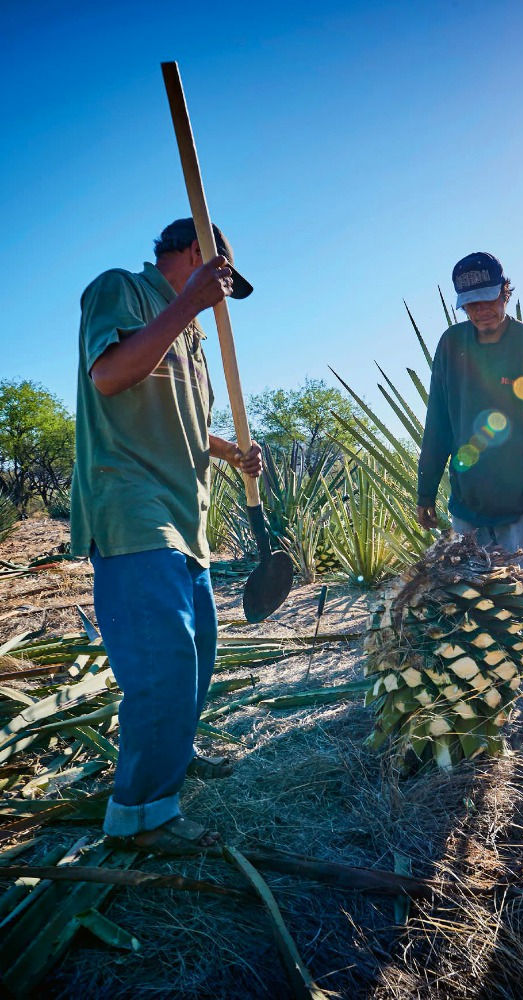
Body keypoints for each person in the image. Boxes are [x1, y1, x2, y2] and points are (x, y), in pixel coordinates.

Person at [71, 217, 263, 853]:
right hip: (131, 504)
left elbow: (181, 418)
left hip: (188, 513)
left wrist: (231, 452)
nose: (222, 297)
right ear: (194, 251)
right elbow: (110, 375)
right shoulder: (120, 290)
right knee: (165, 658)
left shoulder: (193, 334)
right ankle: (141, 813)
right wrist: (187, 304)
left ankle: (172, 754)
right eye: (222, 278)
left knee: (199, 653)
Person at [416, 251, 523, 729]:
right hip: (468, 505)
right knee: (468, 605)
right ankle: (485, 700)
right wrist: (426, 490)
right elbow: (437, 422)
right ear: (460, 304)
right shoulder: (451, 346)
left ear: (506, 292)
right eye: (471, 303)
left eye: (489, 298)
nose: (481, 310)